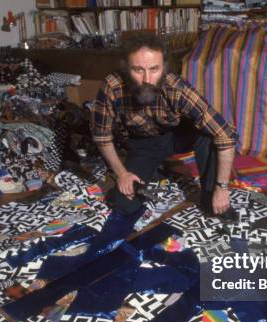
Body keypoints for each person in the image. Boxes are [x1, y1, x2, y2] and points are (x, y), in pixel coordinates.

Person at [91, 31, 240, 223]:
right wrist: (122, 174)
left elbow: (225, 134)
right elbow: (102, 136)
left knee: (208, 135)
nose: (147, 79)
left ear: (164, 67)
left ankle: (210, 198)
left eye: (154, 69)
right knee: (124, 205)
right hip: (143, 144)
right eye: (138, 70)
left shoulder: (176, 87)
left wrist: (222, 188)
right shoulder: (112, 86)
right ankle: (155, 170)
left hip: (178, 136)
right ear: (126, 68)